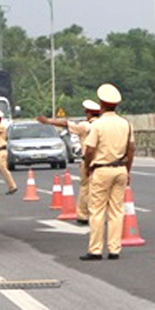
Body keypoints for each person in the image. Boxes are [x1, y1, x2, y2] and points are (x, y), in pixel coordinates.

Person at [80, 84, 134, 260]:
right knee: (116, 210)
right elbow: (131, 149)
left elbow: (89, 150)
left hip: (101, 169)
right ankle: (114, 249)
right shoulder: (126, 124)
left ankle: (95, 249)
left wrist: (88, 166)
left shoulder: (98, 125)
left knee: (96, 210)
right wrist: (128, 169)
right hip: (120, 168)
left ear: (101, 103)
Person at [39, 99, 101, 223]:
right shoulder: (103, 125)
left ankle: (83, 214)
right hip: (103, 162)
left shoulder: (85, 125)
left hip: (88, 160)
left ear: (88, 113)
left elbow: (66, 124)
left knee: (86, 188)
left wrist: (48, 121)